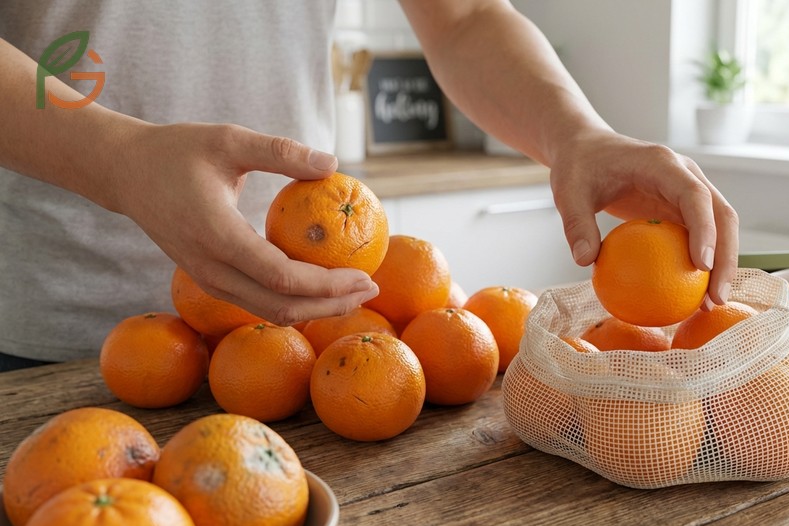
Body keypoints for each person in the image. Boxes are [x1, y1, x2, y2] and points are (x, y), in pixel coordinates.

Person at [0, 0, 738, 372]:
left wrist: (578, 133)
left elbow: (465, 16)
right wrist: (118, 158)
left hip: (301, 343)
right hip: (51, 341)